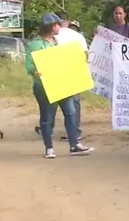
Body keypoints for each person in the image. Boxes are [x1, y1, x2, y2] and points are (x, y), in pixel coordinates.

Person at [25, 12, 93, 158]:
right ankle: (49, 148)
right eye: (57, 24)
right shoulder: (34, 44)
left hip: (62, 83)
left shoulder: (57, 42)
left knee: (70, 112)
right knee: (48, 117)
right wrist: (36, 72)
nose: (59, 26)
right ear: (50, 26)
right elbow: (29, 65)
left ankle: (74, 144)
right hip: (45, 86)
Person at [54, 11, 88, 140]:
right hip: (75, 71)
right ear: (68, 21)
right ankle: (74, 132)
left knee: (55, 102)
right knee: (74, 103)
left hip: (57, 72)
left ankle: (48, 128)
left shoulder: (53, 36)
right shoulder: (77, 36)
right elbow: (85, 55)